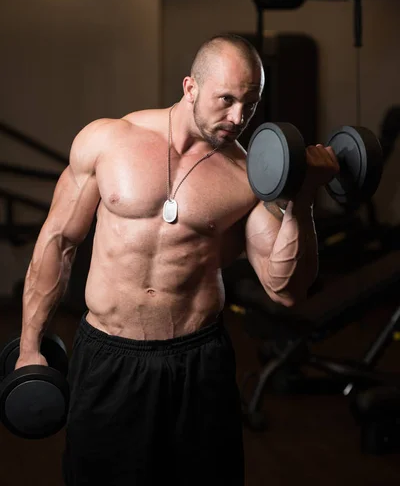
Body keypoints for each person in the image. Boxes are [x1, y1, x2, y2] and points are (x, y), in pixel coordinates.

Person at [15, 33, 339, 486]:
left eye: (250, 104)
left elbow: (285, 290)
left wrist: (301, 200)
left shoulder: (249, 176)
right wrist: (31, 345)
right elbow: (58, 241)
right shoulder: (107, 140)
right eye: (225, 100)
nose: (237, 118)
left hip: (197, 362)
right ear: (190, 87)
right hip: (109, 356)